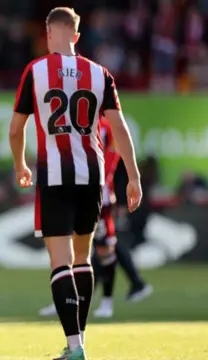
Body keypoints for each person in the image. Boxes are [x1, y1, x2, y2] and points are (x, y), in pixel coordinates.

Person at [9, 7, 142, 360]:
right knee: (83, 258)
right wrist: (133, 176)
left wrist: (20, 164)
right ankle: (79, 341)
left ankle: (74, 346)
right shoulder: (100, 74)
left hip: (55, 174)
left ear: (49, 34)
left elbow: (15, 128)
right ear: (77, 36)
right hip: (92, 176)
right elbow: (119, 129)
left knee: (60, 261)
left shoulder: (36, 71)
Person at [38, 118, 151, 319]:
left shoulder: (106, 125)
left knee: (105, 249)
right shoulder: (73, 119)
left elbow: (114, 155)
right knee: (67, 249)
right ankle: (64, 300)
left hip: (98, 195)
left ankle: (107, 302)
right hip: (70, 192)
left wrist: (104, 183)